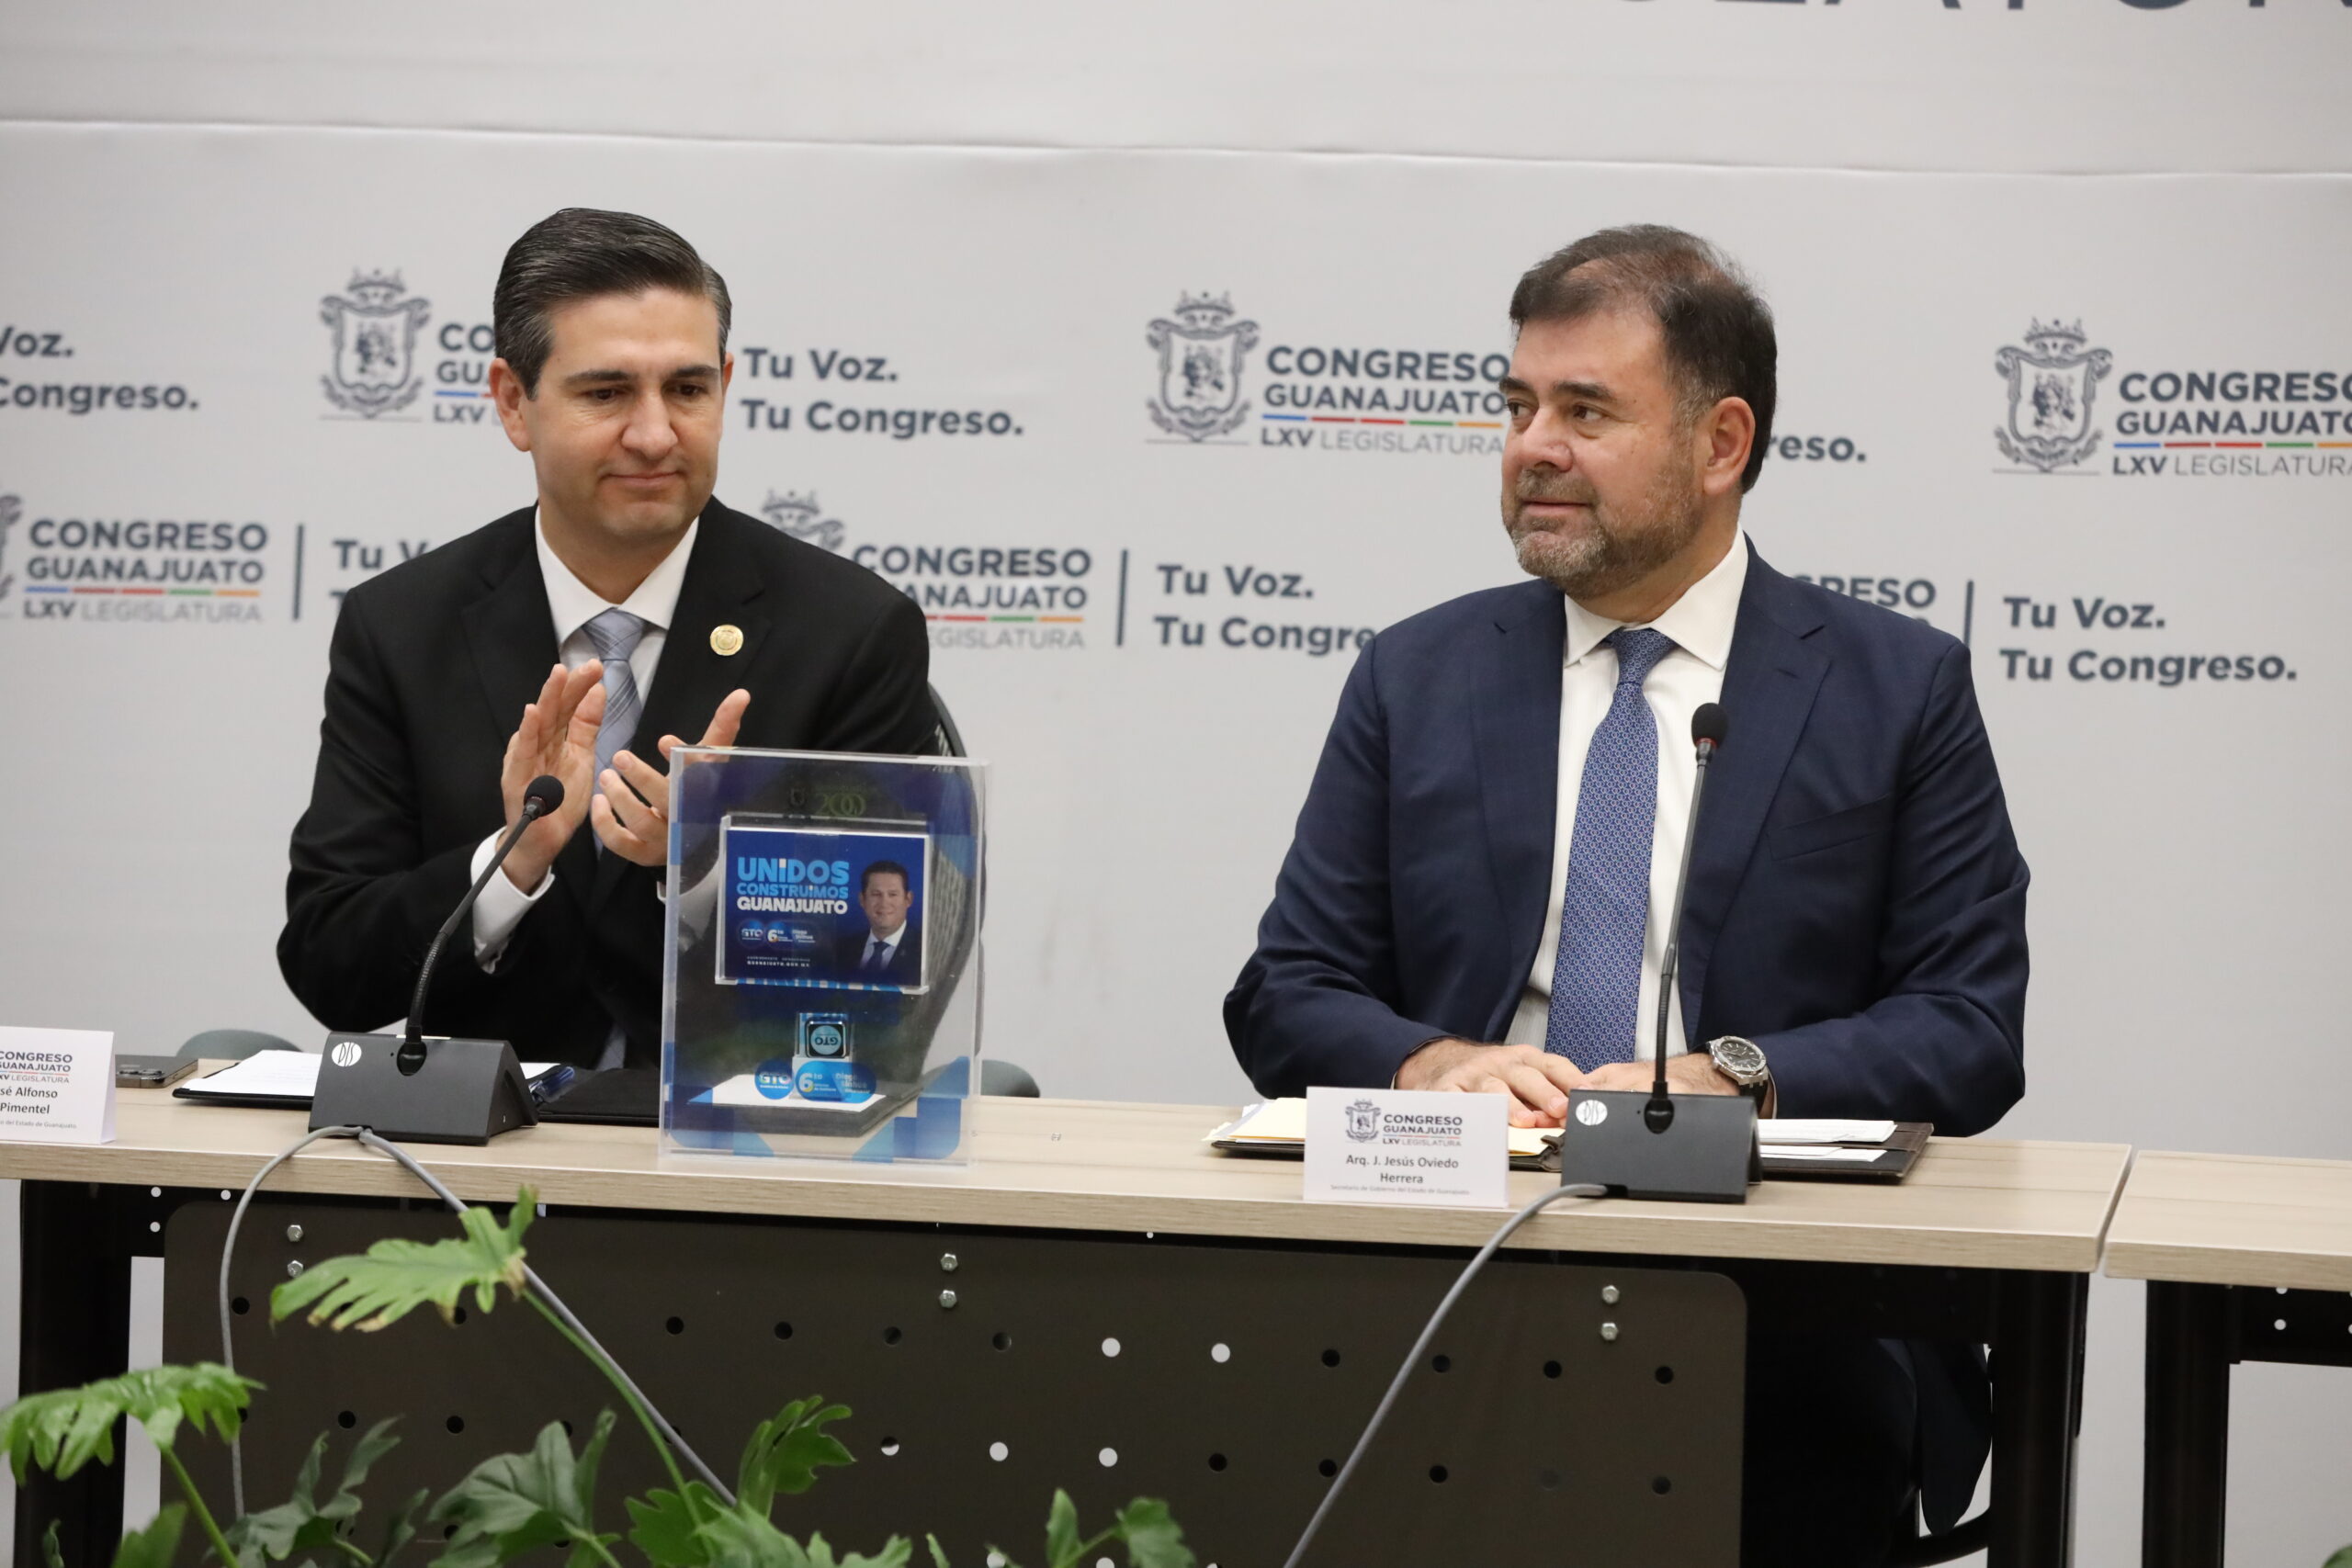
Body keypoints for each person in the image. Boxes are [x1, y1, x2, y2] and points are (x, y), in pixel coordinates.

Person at [1224, 226, 2028, 1565]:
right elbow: (1286, 991)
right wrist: (1434, 1063)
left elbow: (1969, 1025)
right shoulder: (1417, 675)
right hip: (1446, 1271)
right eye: (1518, 406)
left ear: (1720, 444)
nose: (1532, 447)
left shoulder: (1895, 687)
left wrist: (1740, 1075)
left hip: (1776, 1299)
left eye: (1586, 412)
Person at [279, 208, 933, 1068]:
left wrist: (701, 874)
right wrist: (511, 862)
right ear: (513, 403)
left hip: (735, 1130)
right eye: (606, 393)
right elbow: (331, 963)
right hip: (476, 1138)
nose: (656, 434)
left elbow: (889, 966)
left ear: (726, 386)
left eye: (688, 390)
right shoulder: (402, 626)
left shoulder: (849, 631)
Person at [835, 860, 922, 985]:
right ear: (862, 899)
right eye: (876, 894)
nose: (884, 903)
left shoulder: (923, 949)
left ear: (908, 899)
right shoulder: (842, 949)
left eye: (893, 894)